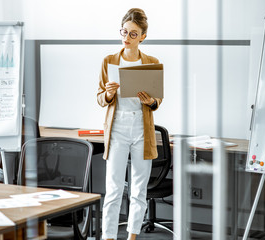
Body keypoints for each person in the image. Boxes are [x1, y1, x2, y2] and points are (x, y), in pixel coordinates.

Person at [97, 8, 162, 240]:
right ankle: (109, 237)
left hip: (142, 129)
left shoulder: (152, 62)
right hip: (117, 129)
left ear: (143, 36)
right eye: (124, 32)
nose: (127, 37)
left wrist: (151, 100)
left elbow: (157, 100)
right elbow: (99, 98)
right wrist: (108, 94)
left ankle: (132, 236)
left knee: (138, 189)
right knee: (114, 189)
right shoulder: (109, 61)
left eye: (133, 34)